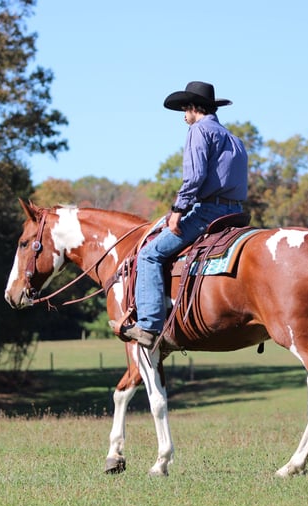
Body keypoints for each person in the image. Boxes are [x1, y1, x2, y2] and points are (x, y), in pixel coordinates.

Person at [112, 81, 248, 349]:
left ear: (194, 107)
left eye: (185, 109)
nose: (183, 116)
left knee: (149, 255)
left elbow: (194, 177)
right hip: (236, 211)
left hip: (208, 211)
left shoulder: (199, 130)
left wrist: (177, 210)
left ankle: (148, 325)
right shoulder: (234, 138)